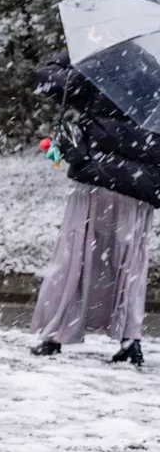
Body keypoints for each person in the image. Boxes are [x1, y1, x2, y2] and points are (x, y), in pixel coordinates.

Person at [30, 57, 156, 365]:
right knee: (131, 261)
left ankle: (57, 334)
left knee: (76, 254)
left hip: (96, 174)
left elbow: (45, 80)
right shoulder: (153, 70)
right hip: (141, 185)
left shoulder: (103, 62)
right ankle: (130, 339)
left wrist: (71, 57)